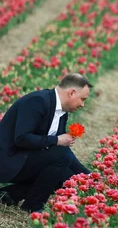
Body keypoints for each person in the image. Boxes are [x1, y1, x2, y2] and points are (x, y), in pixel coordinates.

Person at [0, 73, 92, 213]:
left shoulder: (61, 112)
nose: (83, 104)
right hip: (8, 160)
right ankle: (33, 206)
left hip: (25, 158)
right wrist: (56, 140)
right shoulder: (38, 101)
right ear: (72, 93)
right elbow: (21, 138)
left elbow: (63, 151)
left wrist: (87, 176)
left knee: (69, 178)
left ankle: (10, 195)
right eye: (82, 99)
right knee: (61, 157)